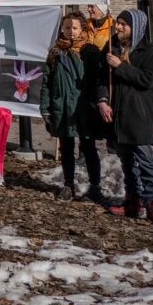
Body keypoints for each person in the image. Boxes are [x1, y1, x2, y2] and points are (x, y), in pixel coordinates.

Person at [98, 9, 153, 228]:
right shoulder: (111, 47)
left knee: (145, 161)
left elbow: (145, 80)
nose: (118, 27)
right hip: (117, 114)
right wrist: (102, 100)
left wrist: (120, 66)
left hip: (138, 114)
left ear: (136, 28)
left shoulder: (150, 53)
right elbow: (101, 78)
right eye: (118, 23)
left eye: (123, 24)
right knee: (126, 161)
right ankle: (133, 200)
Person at [40, 12, 105, 202]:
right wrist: (45, 108)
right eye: (67, 27)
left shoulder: (90, 52)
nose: (71, 32)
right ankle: (68, 184)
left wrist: (99, 103)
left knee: (89, 147)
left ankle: (95, 186)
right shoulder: (56, 53)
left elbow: (97, 81)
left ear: (82, 29)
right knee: (66, 148)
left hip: (84, 108)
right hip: (63, 107)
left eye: (75, 28)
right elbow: (47, 82)